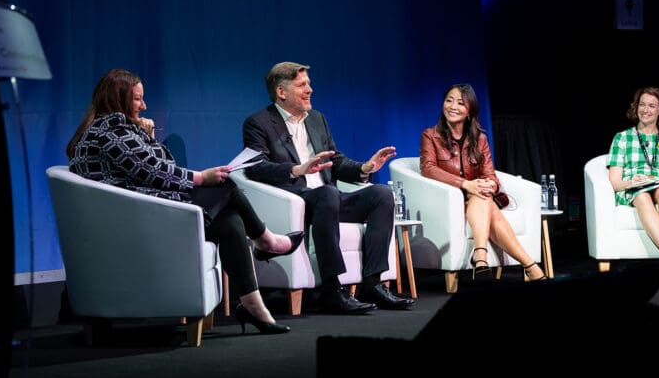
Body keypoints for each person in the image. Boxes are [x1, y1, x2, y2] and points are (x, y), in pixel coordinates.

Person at [66, 68, 305, 335]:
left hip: (135, 214)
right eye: (137, 99)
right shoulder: (111, 128)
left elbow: (151, 167)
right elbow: (153, 172)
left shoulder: (104, 128)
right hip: (135, 220)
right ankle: (267, 241)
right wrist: (201, 177)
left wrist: (147, 136)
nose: (144, 106)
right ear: (117, 99)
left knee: (230, 222)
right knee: (225, 185)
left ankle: (253, 305)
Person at [242, 61, 415, 314]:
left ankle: (374, 282)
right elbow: (255, 167)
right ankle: (332, 290)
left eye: (309, 84)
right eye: (302, 85)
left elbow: (336, 160)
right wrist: (297, 170)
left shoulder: (317, 119)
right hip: (296, 203)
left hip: (329, 199)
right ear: (281, 92)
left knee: (381, 195)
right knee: (327, 193)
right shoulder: (258, 123)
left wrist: (365, 168)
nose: (310, 89)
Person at [419, 83, 547, 281]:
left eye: (460, 103)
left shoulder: (480, 138)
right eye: (449, 100)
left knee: (483, 194)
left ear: (469, 111)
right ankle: (529, 265)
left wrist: (491, 184)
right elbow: (428, 168)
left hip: (477, 198)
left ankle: (480, 256)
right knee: (483, 198)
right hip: (449, 201)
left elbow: (490, 173)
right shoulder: (431, 135)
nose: (452, 106)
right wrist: (465, 184)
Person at [607, 86, 659, 284]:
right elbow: (615, 182)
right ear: (636, 108)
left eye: (652, 105)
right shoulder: (622, 138)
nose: (646, 109)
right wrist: (631, 181)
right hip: (634, 189)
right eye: (642, 104)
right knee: (643, 196)